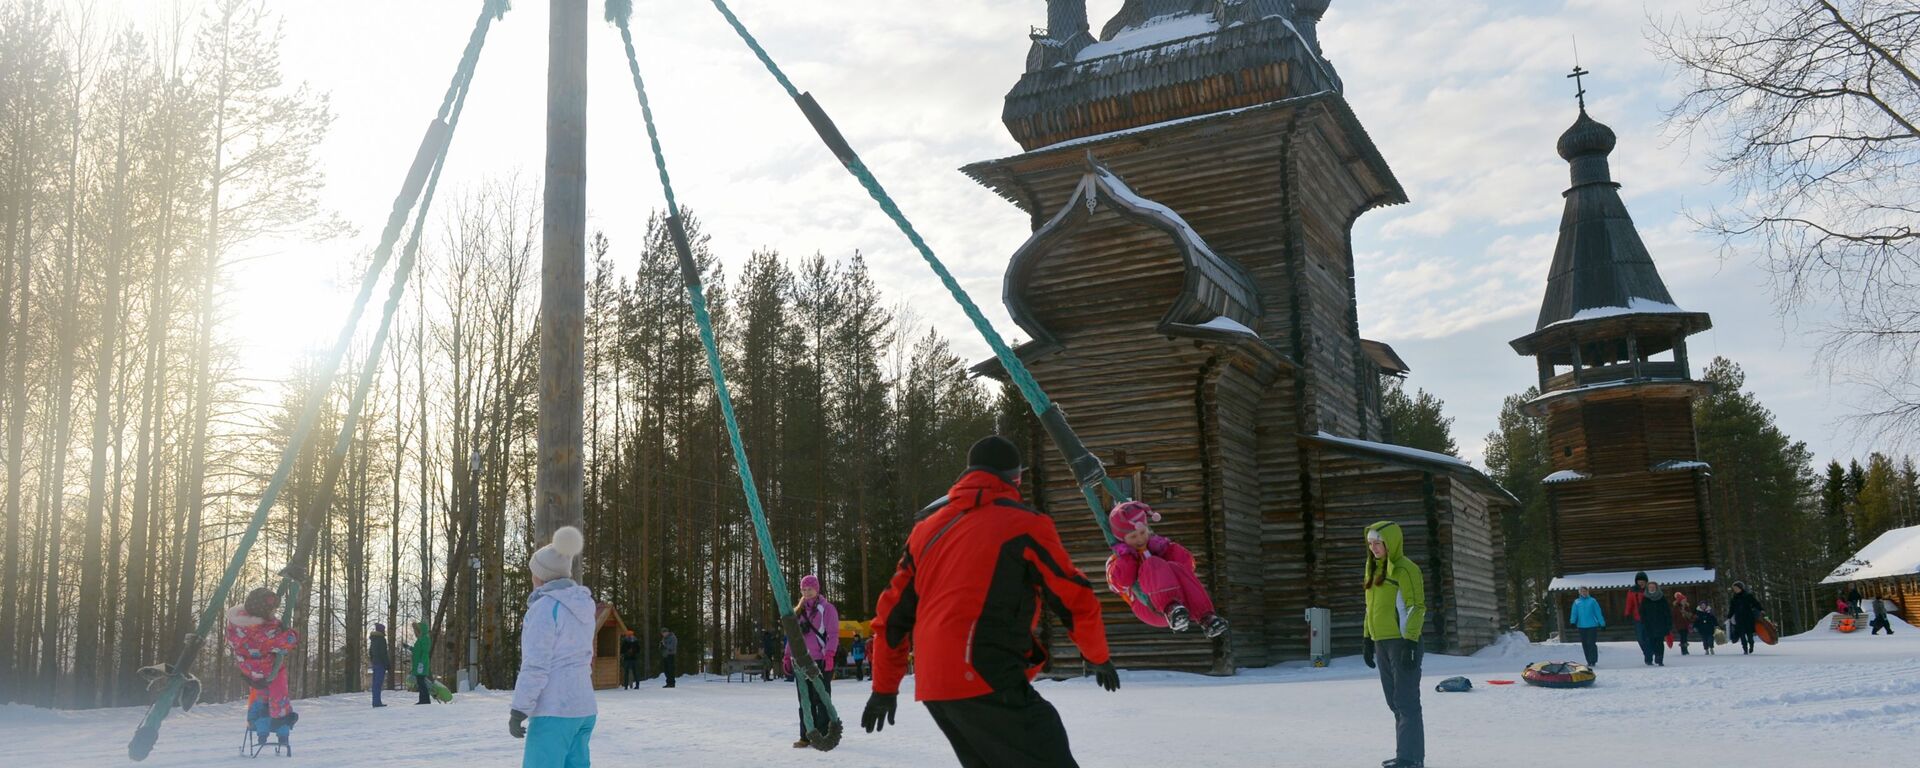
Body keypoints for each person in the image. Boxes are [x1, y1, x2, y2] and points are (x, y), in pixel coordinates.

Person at [861, 435, 1118, 768]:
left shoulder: (926, 530)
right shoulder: (1025, 523)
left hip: (936, 684)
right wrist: (1097, 655)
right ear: (1016, 478)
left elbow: (892, 617)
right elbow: (1074, 596)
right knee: (1046, 743)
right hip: (983, 672)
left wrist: (884, 687)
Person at [509, 526, 596, 768]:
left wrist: (519, 709)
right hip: (584, 707)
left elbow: (536, 664)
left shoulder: (545, 608)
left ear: (541, 577)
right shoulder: (584, 605)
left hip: (555, 709)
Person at [1103, 501, 1229, 637]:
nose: (1140, 539)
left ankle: (1206, 617)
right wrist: (1127, 558)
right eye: (1133, 536)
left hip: (1179, 603)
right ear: (1121, 539)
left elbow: (1188, 566)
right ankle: (1170, 607)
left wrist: (1167, 548)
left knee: (1176, 567)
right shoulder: (1116, 560)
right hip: (1147, 606)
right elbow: (1120, 583)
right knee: (1151, 563)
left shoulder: (1156, 548)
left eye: (1142, 532)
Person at [1362, 521, 1426, 768]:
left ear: (1391, 542)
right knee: (1393, 701)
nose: (1374, 548)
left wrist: (1411, 641)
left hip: (1402, 642)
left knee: (1406, 700)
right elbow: (1369, 609)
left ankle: (1411, 759)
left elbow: (1416, 606)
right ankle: (1405, 754)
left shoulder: (1405, 569)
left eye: (1378, 542)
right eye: (1370, 543)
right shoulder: (1372, 570)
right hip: (1381, 643)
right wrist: (1368, 639)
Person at [226, 587, 301, 754]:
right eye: (273, 611)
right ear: (263, 612)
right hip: (268, 671)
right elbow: (287, 641)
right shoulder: (266, 630)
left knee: (260, 696)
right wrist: (293, 633)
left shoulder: (234, 624)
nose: (274, 614)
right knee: (278, 693)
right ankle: (280, 721)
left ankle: (258, 725)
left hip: (249, 670)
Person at [784, 574, 840, 748]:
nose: (807, 592)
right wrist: (787, 656)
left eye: (810, 589)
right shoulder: (798, 611)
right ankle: (806, 735)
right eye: (804, 589)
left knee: (821, 699)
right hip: (801, 661)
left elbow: (833, 634)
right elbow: (792, 636)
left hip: (820, 660)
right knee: (804, 700)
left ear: (817, 589)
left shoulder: (827, 609)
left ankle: (822, 734)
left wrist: (830, 654)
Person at [1567, 586, 1605, 667]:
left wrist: (1602, 623)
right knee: (1585, 644)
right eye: (1582, 591)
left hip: (1592, 625)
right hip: (1581, 626)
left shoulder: (1592, 601)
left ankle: (1593, 660)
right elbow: (1574, 613)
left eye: (1585, 591)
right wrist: (1572, 622)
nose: (1584, 593)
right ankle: (1588, 660)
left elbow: (1598, 612)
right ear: (1579, 593)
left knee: (1591, 643)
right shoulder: (1577, 602)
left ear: (1588, 592)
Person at [1638, 581, 1671, 666]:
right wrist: (1644, 621)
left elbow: (1667, 611)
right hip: (1649, 624)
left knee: (1660, 642)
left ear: (1656, 588)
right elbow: (1642, 611)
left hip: (1660, 623)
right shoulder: (1645, 598)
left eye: (1653, 587)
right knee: (1651, 641)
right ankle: (1652, 656)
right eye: (1650, 587)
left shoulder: (1661, 598)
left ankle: (1659, 659)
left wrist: (1668, 622)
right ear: (1648, 589)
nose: (1652, 588)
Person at [1728, 581, 1765, 655]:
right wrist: (1729, 616)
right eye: (1734, 588)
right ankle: (1745, 649)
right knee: (1742, 635)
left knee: (1749, 634)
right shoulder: (1734, 598)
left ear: (1740, 588)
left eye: (1736, 588)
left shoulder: (1748, 596)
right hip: (1739, 618)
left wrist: (1761, 609)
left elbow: (1755, 603)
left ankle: (1751, 646)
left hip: (1748, 618)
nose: (1735, 589)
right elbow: (1732, 608)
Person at [412, 621, 435, 704]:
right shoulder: (420, 640)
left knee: (421, 683)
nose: (415, 633)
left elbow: (425, 653)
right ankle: (423, 700)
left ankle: (425, 700)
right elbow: (417, 651)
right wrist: (410, 648)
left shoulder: (425, 639)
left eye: (416, 631)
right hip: (419, 665)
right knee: (420, 683)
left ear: (420, 630)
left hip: (421, 665)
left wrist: (421, 664)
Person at [369, 623, 391, 707]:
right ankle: (377, 702)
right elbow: (383, 653)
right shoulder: (381, 639)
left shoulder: (373, 639)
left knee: (375, 684)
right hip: (381, 664)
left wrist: (373, 660)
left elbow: (370, 652)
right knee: (378, 683)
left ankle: (375, 701)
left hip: (375, 663)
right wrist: (387, 664)